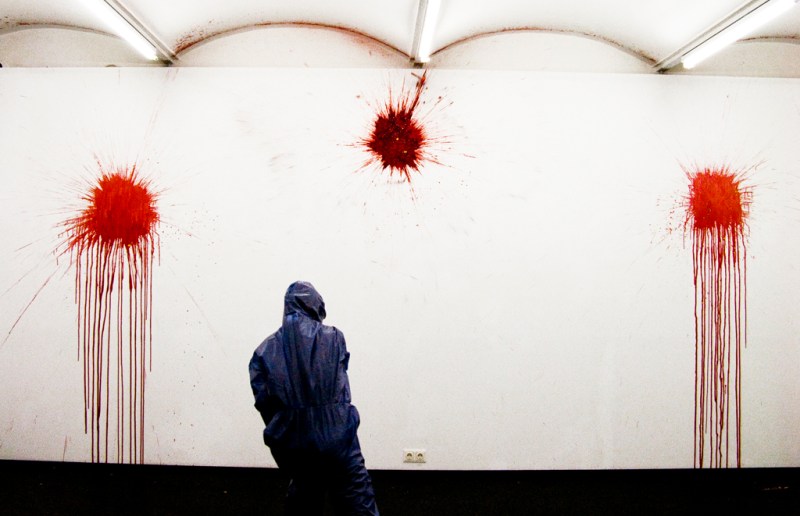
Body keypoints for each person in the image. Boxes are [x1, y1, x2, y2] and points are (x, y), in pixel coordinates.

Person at [249, 281, 379, 515]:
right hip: (337, 436)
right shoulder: (334, 338)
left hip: (296, 442)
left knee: (304, 499)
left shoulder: (264, 350)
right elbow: (341, 379)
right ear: (315, 304)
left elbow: (264, 402)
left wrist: (286, 428)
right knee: (357, 498)